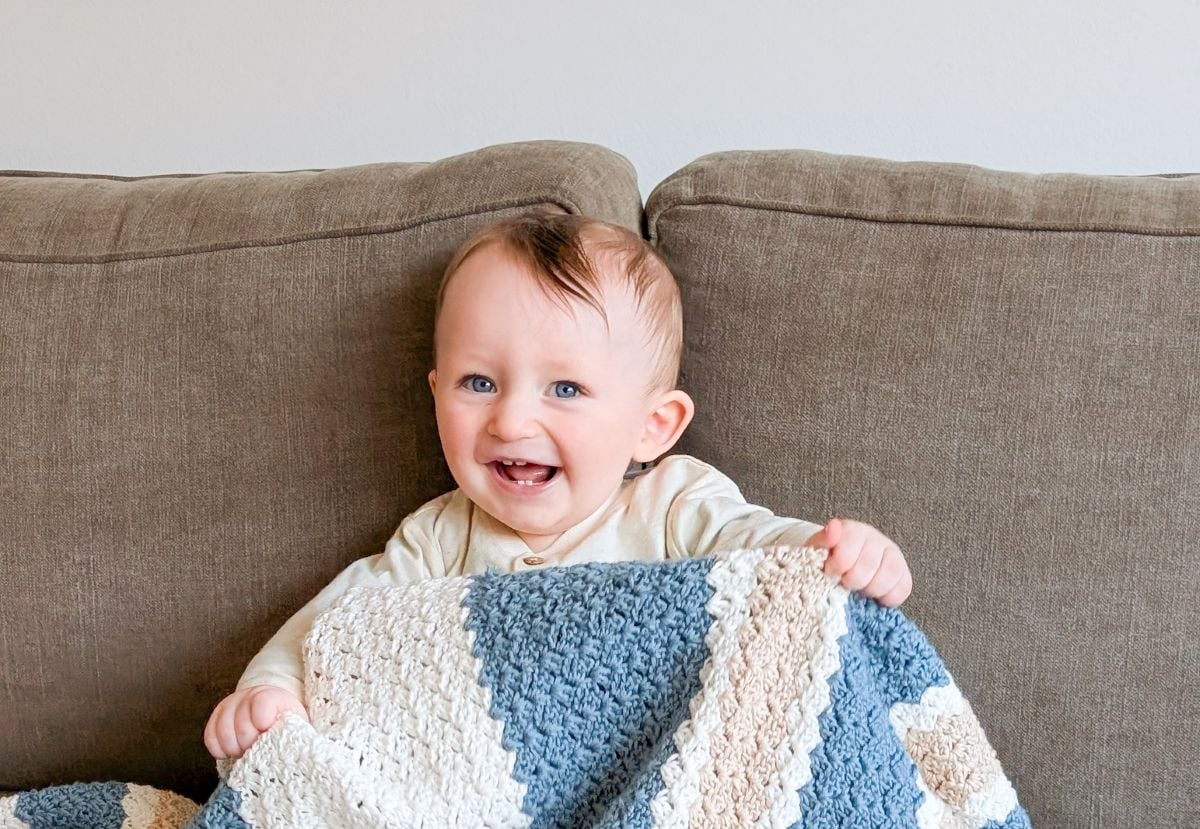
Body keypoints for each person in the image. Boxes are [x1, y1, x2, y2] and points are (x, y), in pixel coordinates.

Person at [204, 210, 913, 761]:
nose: (511, 419)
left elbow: (766, 557)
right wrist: (272, 690)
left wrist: (835, 555)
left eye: (566, 388)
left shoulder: (674, 505)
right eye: (477, 382)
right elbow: (336, 629)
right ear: (435, 394)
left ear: (652, 425)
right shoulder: (441, 538)